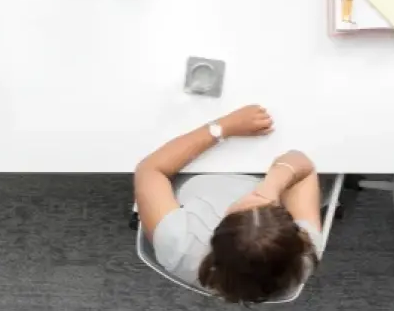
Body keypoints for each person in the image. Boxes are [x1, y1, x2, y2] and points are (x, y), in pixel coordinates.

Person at [136, 105, 321, 303]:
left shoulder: (178, 243)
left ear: (217, 233)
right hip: (257, 167)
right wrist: (271, 187)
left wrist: (223, 127)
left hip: (197, 171)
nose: (252, 196)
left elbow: (150, 169)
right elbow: (302, 163)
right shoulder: (304, 252)